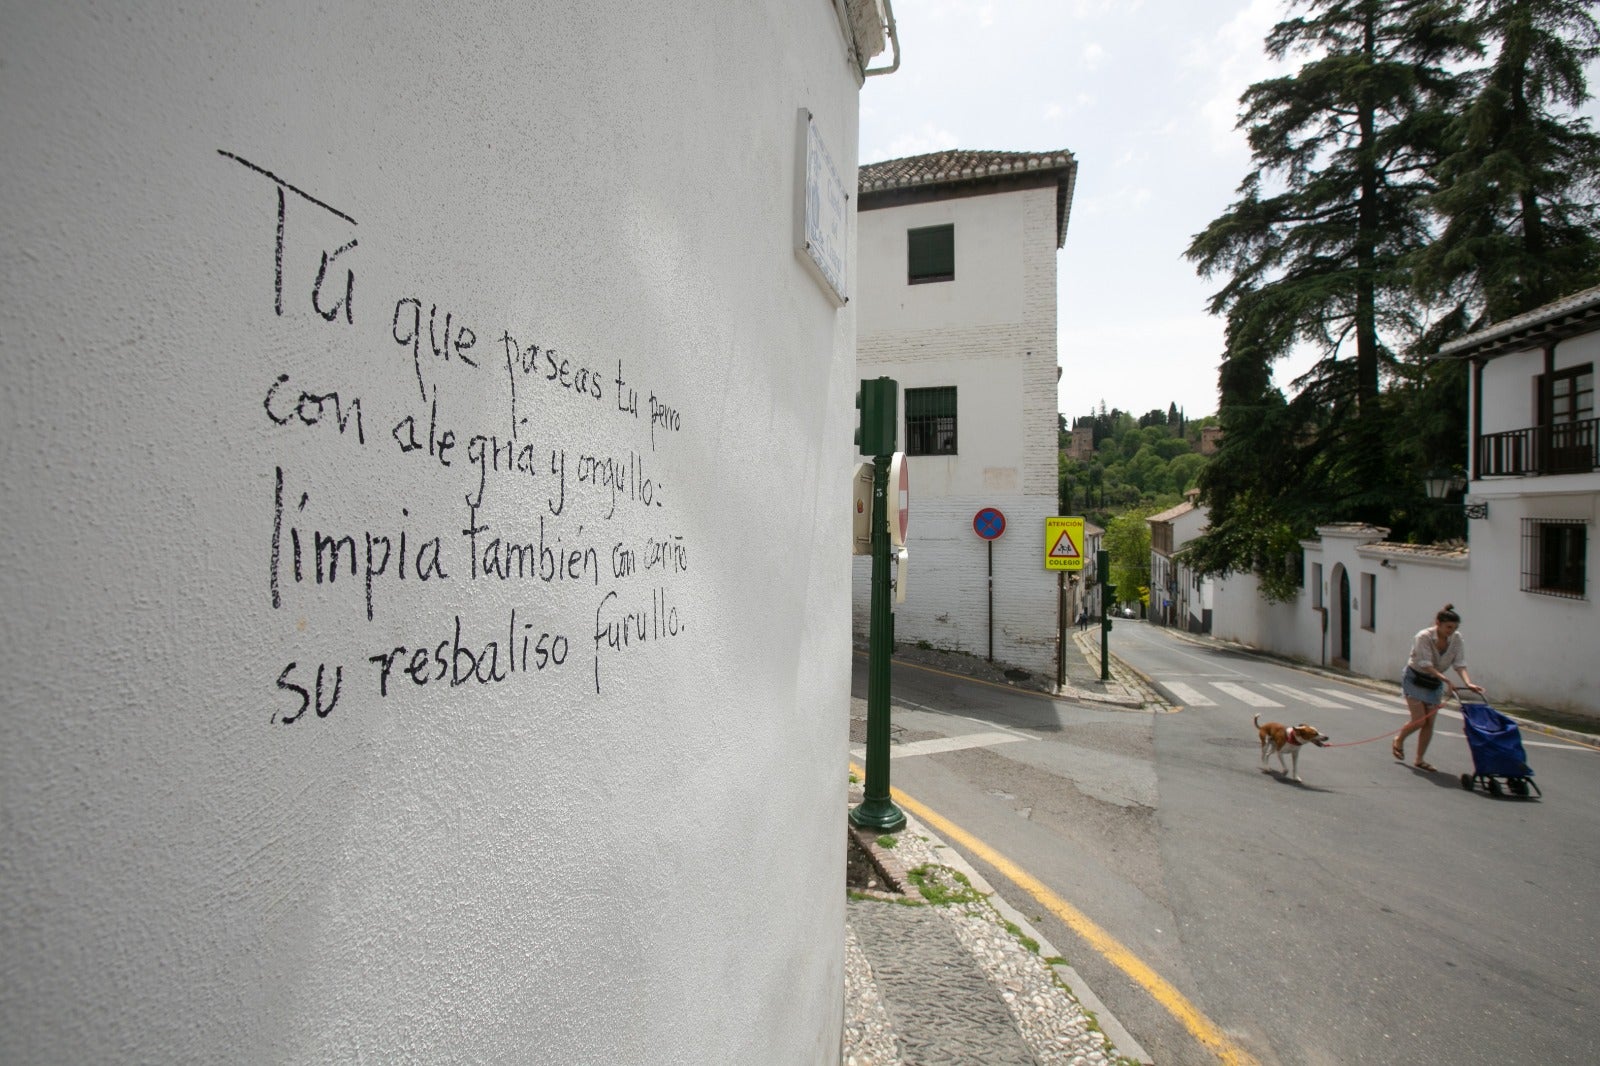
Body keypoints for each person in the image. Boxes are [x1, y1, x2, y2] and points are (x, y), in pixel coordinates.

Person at [1394, 604, 1484, 772]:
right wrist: (1446, 680)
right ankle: (1399, 739)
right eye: (1448, 627)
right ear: (1438, 623)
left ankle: (1420, 759)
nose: (1451, 630)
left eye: (1455, 627)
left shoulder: (1456, 639)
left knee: (1430, 722)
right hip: (1415, 677)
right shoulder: (1423, 636)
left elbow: (1459, 663)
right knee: (1419, 719)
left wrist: (1468, 683)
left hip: (1434, 681)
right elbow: (1425, 664)